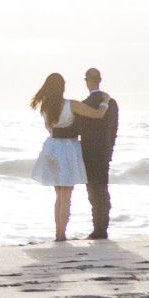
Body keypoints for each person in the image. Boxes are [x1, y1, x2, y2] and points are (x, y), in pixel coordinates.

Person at [28, 73, 111, 241]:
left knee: (58, 194)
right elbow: (98, 114)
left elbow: (49, 129)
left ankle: (58, 232)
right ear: (62, 87)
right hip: (68, 148)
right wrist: (106, 100)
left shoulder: (45, 108)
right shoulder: (71, 105)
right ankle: (61, 235)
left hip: (52, 147)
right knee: (66, 194)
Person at [77, 68, 119, 239]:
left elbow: (78, 129)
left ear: (87, 81)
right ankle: (103, 227)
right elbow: (114, 129)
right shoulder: (112, 103)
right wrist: (110, 148)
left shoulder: (83, 104)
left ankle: (97, 228)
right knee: (103, 188)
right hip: (104, 151)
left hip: (87, 151)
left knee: (93, 191)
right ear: (100, 80)